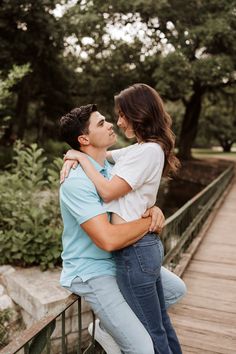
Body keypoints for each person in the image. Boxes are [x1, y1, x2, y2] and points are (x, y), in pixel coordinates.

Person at [61, 84, 183, 353]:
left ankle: (111, 327)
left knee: (176, 291)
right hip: (94, 267)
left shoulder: (111, 165)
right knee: (144, 346)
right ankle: (113, 327)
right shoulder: (76, 182)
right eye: (102, 122)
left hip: (128, 255)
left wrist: (155, 208)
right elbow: (107, 240)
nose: (113, 124)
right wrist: (149, 222)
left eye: (116, 116)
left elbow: (126, 181)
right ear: (83, 139)